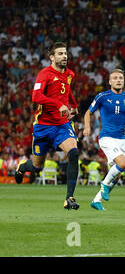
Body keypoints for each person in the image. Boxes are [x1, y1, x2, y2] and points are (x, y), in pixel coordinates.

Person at [15, 42, 80, 210]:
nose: (64, 56)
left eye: (65, 53)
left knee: (73, 153)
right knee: (37, 167)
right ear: (52, 57)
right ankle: (22, 167)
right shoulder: (44, 74)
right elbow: (36, 97)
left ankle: (69, 198)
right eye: (60, 54)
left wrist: (74, 104)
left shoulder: (69, 74)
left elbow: (67, 90)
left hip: (62, 125)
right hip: (43, 126)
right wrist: (58, 104)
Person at [83, 68, 125, 211]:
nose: (118, 80)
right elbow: (88, 112)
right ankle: (104, 184)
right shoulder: (102, 96)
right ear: (110, 81)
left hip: (122, 140)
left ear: (123, 81)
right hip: (106, 137)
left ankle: (96, 201)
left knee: (116, 176)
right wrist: (87, 127)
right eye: (115, 78)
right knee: (122, 164)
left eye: (120, 78)